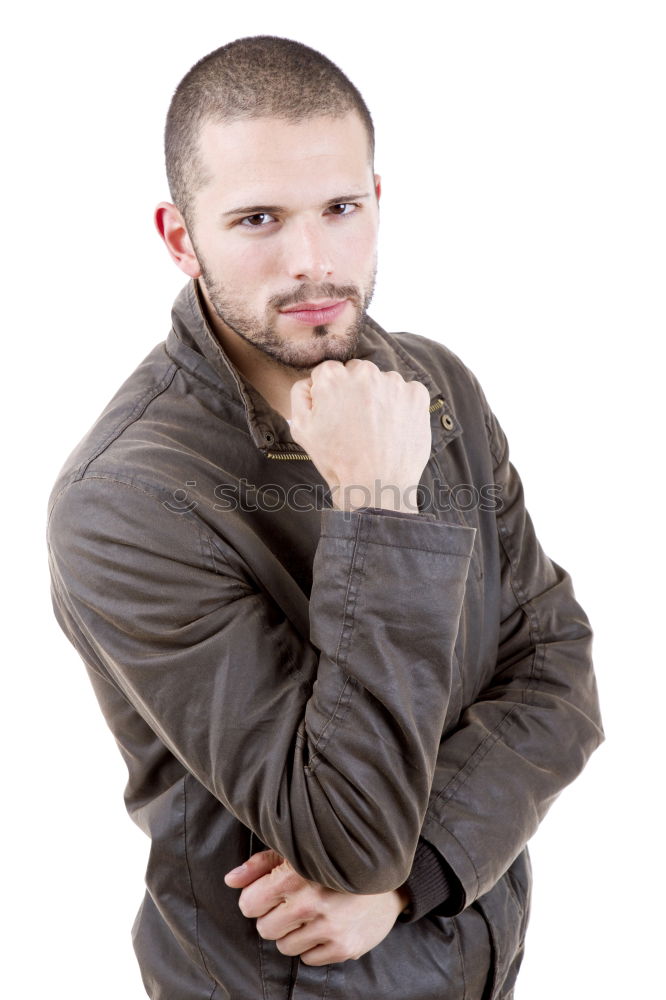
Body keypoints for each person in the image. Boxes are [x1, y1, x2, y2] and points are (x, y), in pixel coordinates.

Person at [46, 35, 604, 1000]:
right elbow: (346, 838)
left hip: (474, 962)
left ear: (377, 202)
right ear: (182, 238)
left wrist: (415, 879)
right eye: (258, 218)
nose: (313, 262)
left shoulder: (436, 388)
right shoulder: (125, 500)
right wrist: (377, 504)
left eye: (340, 210)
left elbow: (559, 674)